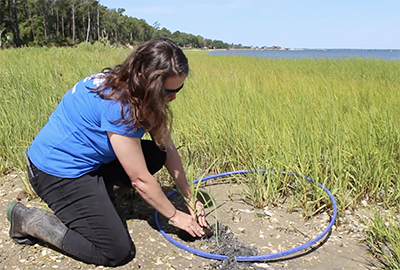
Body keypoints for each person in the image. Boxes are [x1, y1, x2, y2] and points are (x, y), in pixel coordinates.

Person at [6, 38, 207, 267]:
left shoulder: (134, 86)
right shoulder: (118, 105)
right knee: (116, 251)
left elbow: (166, 145)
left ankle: (98, 200)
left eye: (178, 89)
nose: (173, 97)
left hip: (89, 162)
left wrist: (191, 198)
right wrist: (175, 216)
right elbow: (140, 180)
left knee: (156, 154)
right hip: (54, 172)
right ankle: (29, 221)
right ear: (145, 78)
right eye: (167, 91)